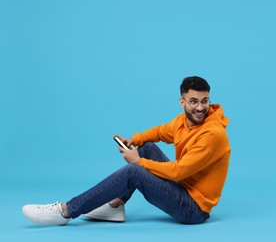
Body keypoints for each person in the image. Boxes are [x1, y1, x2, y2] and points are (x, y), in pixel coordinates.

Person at [22, 76, 231, 225]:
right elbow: (160, 132)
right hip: (183, 188)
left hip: (193, 209)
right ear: (182, 102)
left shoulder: (212, 134)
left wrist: (138, 162)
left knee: (134, 171)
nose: (200, 108)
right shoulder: (183, 122)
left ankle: (66, 211)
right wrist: (135, 140)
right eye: (193, 101)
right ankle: (115, 207)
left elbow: (179, 171)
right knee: (147, 147)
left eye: (204, 101)